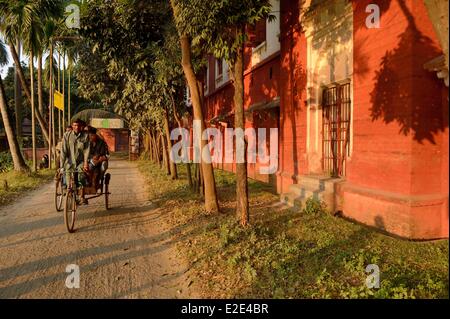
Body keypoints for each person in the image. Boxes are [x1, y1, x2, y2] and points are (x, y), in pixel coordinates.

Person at [60, 119, 90, 204]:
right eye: (75, 125)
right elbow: (63, 151)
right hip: (69, 162)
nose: (76, 127)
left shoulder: (85, 136)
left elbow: (86, 151)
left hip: (80, 162)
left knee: (81, 176)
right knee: (68, 178)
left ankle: (81, 196)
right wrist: (62, 166)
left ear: (81, 127)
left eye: (78, 126)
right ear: (72, 126)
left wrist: (85, 163)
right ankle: (69, 194)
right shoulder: (67, 135)